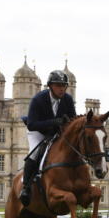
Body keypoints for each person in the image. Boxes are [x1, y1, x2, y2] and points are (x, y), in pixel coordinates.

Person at [20, 70, 77, 206]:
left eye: (64, 85)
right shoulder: (38, 99)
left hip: (56, 132)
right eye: (58, 85)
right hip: (37, 132)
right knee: (34, 153)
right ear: (50, 86)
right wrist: (55, 122)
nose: (62, 89)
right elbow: (33, 124)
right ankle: (26, 187)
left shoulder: (68, 100)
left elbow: (72, 121)